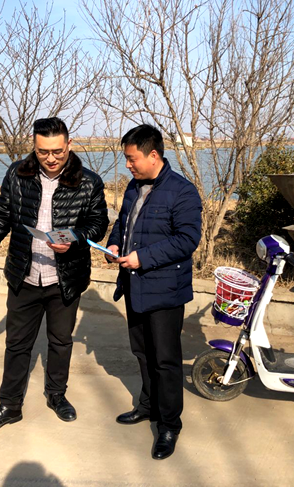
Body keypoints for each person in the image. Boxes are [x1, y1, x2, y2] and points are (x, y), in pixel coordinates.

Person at [0, 117, 109, 436]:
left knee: (61, 342)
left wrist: (73, 238)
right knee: (16, 344)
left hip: (64, 278)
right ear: (34, 146)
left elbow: (97, 224)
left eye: (57, 151)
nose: (51, 158)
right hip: (24, 275)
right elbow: (1, 218)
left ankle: (56, 395)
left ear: (69, 145)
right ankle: (9, 406)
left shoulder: (89, 182)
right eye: (43, 152)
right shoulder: (18, 174)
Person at [106, 124, 202, 460]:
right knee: (142, 353)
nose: (128, 165)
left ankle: (169, 425)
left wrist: (142, 258)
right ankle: (147, 406)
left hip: (164, 291)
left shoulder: (182, 192)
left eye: (132, 159)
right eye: (126, 159)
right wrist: (113, 244)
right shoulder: (134, 188)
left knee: (165, 360)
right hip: (133, 286)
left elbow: (187, 240)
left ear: (153, 155)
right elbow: (123, 224)